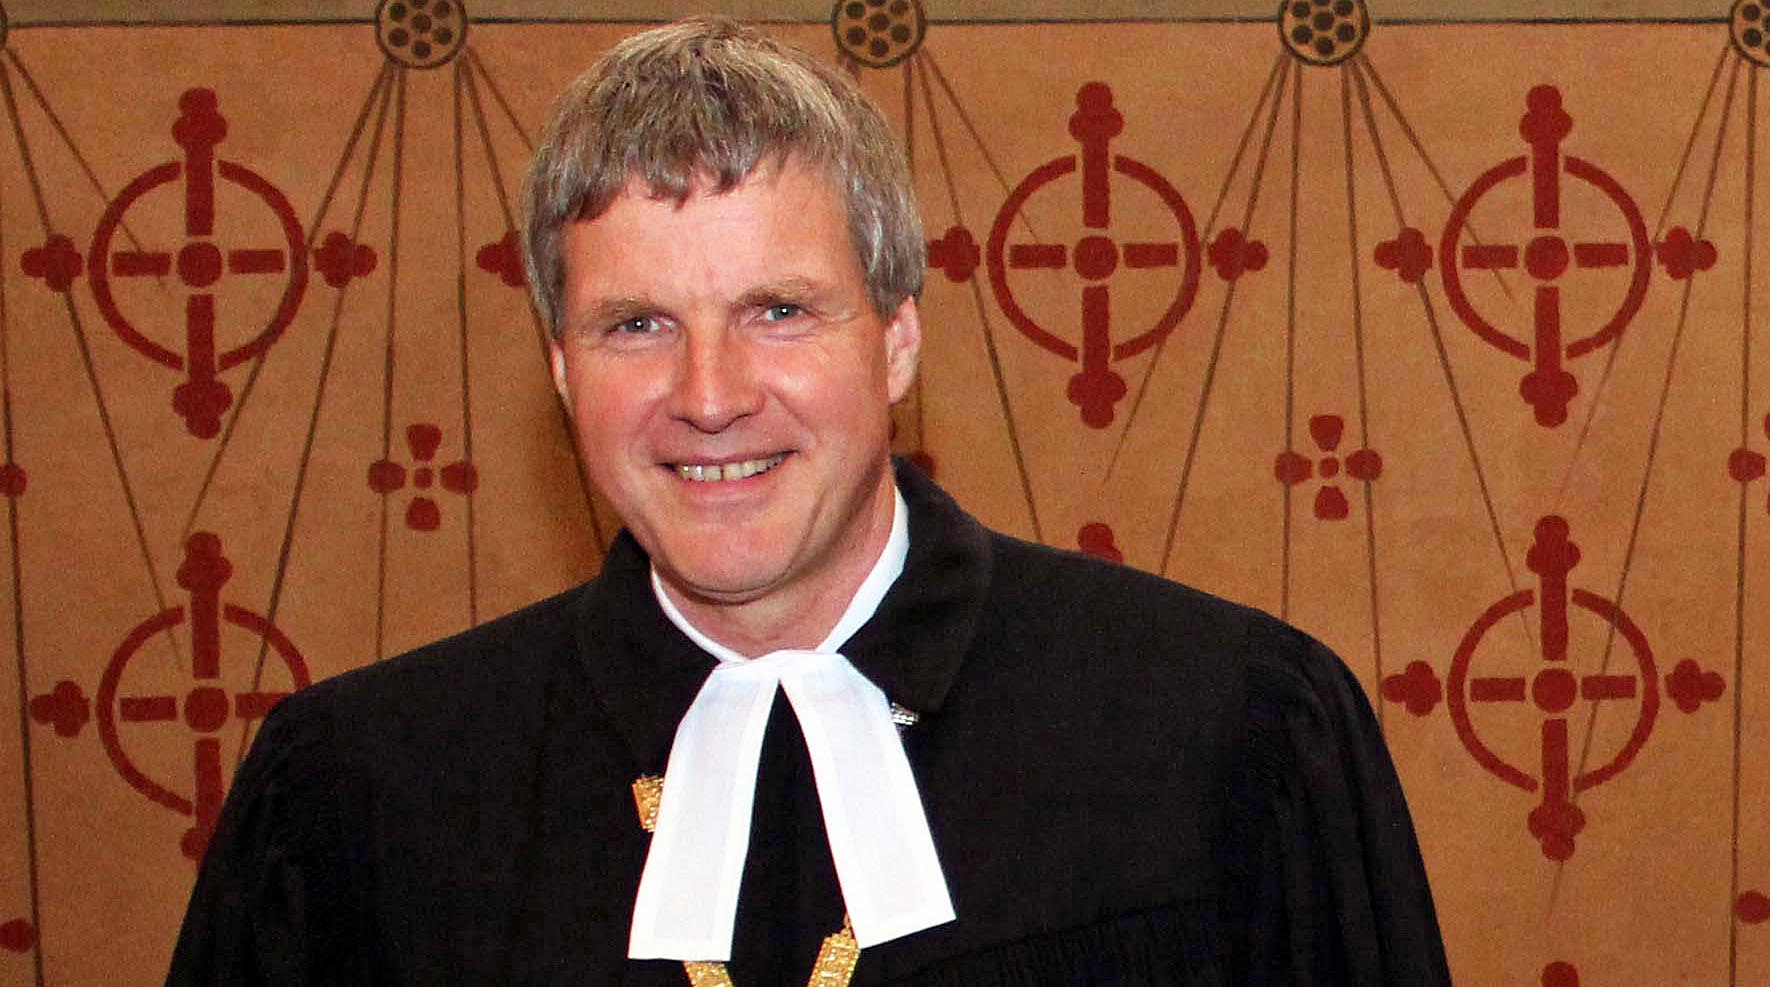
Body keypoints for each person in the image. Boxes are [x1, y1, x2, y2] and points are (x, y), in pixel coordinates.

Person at [168, 16, 1449, 986]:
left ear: (896, 341)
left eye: (778, 311)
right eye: (635, 325)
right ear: (560, 371)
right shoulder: (360, 802)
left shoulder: (1230, 738)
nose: (709, 395)